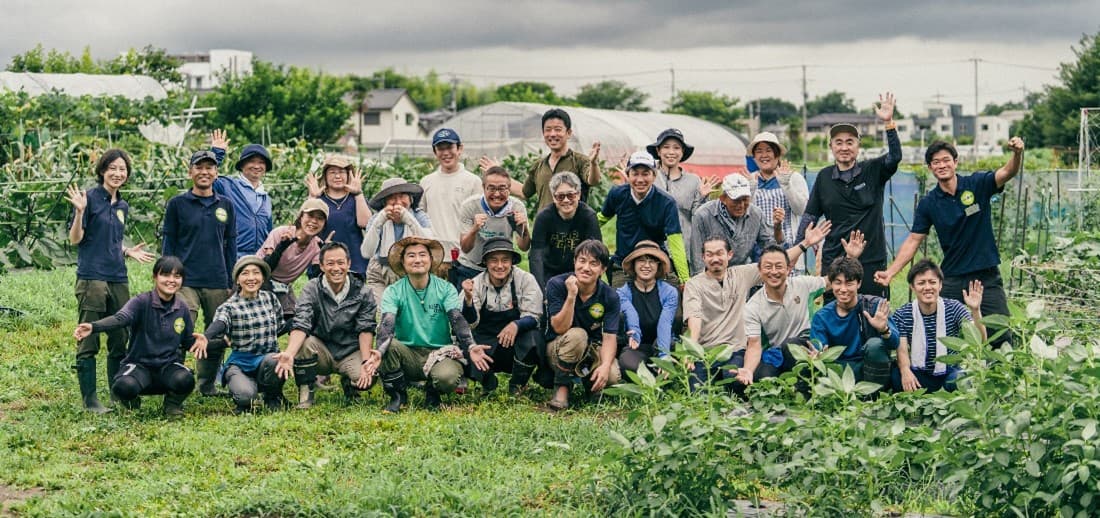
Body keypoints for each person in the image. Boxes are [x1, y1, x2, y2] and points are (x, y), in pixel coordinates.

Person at [875, 138, 1024, 348]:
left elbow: (1007, 172)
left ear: (955, 162)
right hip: (953, 277)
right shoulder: (929, 203)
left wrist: (1017, 154)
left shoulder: (977, 184)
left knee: (1000, 332)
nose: (941, 165)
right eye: (936, 162)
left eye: (946, 160)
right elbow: (914, 240)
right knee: (942, 333)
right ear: (930, 168)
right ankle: (946, 375)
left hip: (986, 276)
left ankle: (1002, 376)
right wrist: (891, 272)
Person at [683, 223, 830, 392]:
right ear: (703, 257)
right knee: (696, 392)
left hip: (734, 350)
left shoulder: (741, 275)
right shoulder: (694, 284)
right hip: (704, 352)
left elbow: (775, 262)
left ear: (729, 255)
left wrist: (805, 244)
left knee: (736, 383)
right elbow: (694, 317)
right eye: (709, 255)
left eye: (719, 253)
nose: (715, 259)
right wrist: (692, 349)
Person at [65, 149, 156, 413]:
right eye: (113, 168)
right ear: (103, 170)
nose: (118, 173)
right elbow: (76, 239)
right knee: (89, 334)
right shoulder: (89, 198)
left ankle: (119, 393)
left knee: (120, 335)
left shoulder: (122, 206)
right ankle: (90, 399)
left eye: (122, 169)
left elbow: (109, 239)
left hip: (118, 277)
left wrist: (127, 251)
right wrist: (80, 213)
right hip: (92, 278)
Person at [72, 256, 207, 418]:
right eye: (165, 275)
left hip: (167, 368)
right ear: (155, 277)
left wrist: (207, 341)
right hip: (139, 368)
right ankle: (131, 401)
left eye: (177, 276)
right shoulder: (141, 302)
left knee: (186, 380)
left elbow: (187, 341)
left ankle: (172, 405)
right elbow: (121, 318)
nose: (171, 280)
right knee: (123, 387)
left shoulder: (182, 307)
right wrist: (94, 327)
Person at [368, 237, 492, 412]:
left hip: (439, 353)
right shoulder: (393, 291)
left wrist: (471, 346)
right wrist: (379, 351)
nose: (417, 260)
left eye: (422, 255)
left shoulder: (446, 288)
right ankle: (398, 396)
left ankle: (432, 392)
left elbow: (457, 318)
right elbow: (387, 323)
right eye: (411, 256)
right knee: (388, 345)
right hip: (408, 353)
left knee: (447, 378)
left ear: (430, 260)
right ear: (403, 262)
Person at [798, 92, 900, 298]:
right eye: (839, 142)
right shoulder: (824, 177)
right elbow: (810, 216)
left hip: (871, 261)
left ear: (858, 145)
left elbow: (895, 157)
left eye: (850, 142)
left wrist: (888, 123)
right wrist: (796, 251)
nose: (844, 147)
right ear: (831, 147)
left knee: (872, 317)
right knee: (834, 318)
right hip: (835, 262)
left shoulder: (872, 170)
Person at [742, 233, 865, 384]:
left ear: (788, 269)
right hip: (777, 351)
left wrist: (850, 257)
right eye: (768, 267)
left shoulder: (802, 285)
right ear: (760, 271)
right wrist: (748, 370)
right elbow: (754, 345)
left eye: (779, 266)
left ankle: (807, 386)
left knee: (791, 345)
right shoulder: (753, 306)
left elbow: (832, 281)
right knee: (764, 379)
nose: (774, 271)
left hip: (808, 342)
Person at [162, 149, 237, 397]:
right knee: (182, 328)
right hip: (186, 280)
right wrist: (166, 277)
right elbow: (169, 243)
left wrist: (231, 280)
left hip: (217, 279)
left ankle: (207, 384)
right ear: (190, 171)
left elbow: (231, 244)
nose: (204, 172)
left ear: (216, 173)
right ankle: (176, 382)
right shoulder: (177, 204)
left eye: (209, 167)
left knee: (216, 332)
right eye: (199, 167)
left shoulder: (225, 205)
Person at [274, 242, 378, 408]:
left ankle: (350, 384)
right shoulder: (311, 288)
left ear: (348, 264)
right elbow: (301, 322)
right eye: (330, 263)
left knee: (368, 377)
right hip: (320, 347)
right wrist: (290, 353)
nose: (336, 268)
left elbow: (366, 328)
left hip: (350, 350)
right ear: (321, 266)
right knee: (303, 343)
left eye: (340, 262)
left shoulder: (363, 291)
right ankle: (306, 392)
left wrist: (366, 362)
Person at [460, 238, 548, 395]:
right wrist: (468, 301)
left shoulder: (526, 280)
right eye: (493, 260)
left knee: (535, 338)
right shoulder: (475, 284)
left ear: (512, 261)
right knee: (465, 347)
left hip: (515, 344)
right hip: (485, 342)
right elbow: (469, 324)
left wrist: (516, 325)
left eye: (505, 260)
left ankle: (517, 384)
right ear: (485, 262)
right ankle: (488, 383)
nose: (499, 266)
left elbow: (535, 316)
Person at [203, 256, 290, 413]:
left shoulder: (270, 299)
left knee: (275, 359)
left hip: (266, 359)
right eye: (245, 273)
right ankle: (245, 391)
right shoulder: (229, 306)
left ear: (262, 278)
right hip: (240, 364)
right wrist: (206, 336)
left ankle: (273, 395)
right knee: (246, 398)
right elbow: (220, 323)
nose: (251, 278)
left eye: (256, 273)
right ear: (237, 279)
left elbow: (280, 326)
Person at [544, 239, 622, 411]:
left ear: (603, 270)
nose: (586, 268)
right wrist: (571, 296)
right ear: (574, 262)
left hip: (590, 350)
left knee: (612, 375)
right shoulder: (556, 284)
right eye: (582, 261)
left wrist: (605, 366)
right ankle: (562, 388)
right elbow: (559, 328)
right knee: (578, 335)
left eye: (594, 264)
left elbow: (609, 337)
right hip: (559, 347)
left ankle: (590, 384)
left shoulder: (610, 296)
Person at [889, 259, 985, 393]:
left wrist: (975, 310)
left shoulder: (954, 308)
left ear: (940, 285)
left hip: (949, 371)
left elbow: (980, 340)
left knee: (960, 380)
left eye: (932, 282)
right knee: (895, 376)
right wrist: (905, 371)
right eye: (921, 283)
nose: (927, 287)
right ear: (912, 287)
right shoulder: (903, 313)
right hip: (919, 372)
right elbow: (902, 350)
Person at [599, 151, 690, 287]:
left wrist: (684, 279)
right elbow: (600, 219)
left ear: (654, 176)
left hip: (656, 264)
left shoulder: (666, 203)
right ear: (627, 175)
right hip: (623, 265)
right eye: (635, 174)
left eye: (646, 174)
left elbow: (675, 241)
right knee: (618, 304)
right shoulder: (617, 195)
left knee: (674, 299)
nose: (640, 180)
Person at [809, 257, 898, 386]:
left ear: (859, 283)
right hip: (838, 371)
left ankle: (874, 397)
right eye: (838, 283)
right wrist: (819, 354)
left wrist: (884, 329)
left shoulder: (874, 306)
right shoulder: (822, 317)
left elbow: (894, 342)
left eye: (849, 283)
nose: (843, 289)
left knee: (875, 345)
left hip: (868, 368)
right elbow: (818, 348)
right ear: (831, 284)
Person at [647, 128, 719, 262]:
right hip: (653, 248)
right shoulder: (649, 177)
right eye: (666, 147)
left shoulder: (693, 181)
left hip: (684, 249)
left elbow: (698, 218)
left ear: (682, 152)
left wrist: (703, 198)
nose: (671, 152)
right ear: (658, 151)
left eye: (676, 148)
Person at [361, 177, 434, 306]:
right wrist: (379, 221)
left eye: (402, 196)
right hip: (380, 271)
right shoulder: (377, 219)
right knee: (386, 313)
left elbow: (430, 244)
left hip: (412, 272)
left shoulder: (419, 216)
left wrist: (408, 219)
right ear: (385, 202)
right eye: (392, 198)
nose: (398, 202)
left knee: (409, 313)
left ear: (410, 199)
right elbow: (367, 252)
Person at [454, 166, 531, 287]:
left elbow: (524, 247)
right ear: (483, 188)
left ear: (509, 189)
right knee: (466, 304)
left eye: (502, 188)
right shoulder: (469, 206)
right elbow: (465, 248)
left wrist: (525, 229)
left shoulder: (517, 207)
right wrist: (474, 229)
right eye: (491, 188)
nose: (496, 194)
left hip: (501, 269)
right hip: (471, 266)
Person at [419, 128, 483, 268]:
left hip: (464, 258)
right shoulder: (426, 182)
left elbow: (479, 220)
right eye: (440, 149)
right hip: (434, 257)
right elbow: (420, 217)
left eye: (450, 147)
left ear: (460, 149)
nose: (446, 153)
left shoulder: (473, 181)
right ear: (435, 152)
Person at [257, 199, 329, 319]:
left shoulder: (317, 246)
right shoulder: (281, 233)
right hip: (259, 279)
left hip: (282, 286)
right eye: (310, 216)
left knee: (296, 320)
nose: (314, 221)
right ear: (301, 217)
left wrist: (326, 256)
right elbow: (264, 269)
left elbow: (316, 277)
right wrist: (281, 247)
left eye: (320, 218)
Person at [517, 108, 602, 209]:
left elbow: (593, 180)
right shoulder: (538, 165)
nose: (552, 134)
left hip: (572, 224)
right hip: (545, 223)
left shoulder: (580, 161)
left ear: (569, 133)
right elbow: (524, 192)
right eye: (548, 130)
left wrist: (594, 163)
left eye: (558, 129)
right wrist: (500, 175)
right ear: (543, 133)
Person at [528, 172, 602, 287]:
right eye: (560, 196)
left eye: (570, 195)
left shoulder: (588, 216)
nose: (566, 200)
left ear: (578, 194)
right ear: (553, 197)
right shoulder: (544, 217)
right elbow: (536, 255)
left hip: (578, 272)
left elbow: (597, 253)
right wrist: (540, 287)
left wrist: (589, 284)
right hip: (549, 273)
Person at [691, 174, 776, 273]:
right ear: (723, 198)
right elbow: (697, 259)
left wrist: (777, 227)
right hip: (712, 273)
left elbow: (769, 245)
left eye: (745, 199)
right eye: (736, 200)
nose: (741, 205)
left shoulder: (756, 214)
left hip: (742, 273)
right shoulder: (703, 214)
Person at [615, 241, 678, 375]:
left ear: (658, 266)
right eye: (641, 261)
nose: (646, 266)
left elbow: (665, 324)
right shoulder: (622, 293)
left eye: (652, 261)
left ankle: (661, 367)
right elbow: (630, 314)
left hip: (662, 343)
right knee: (627, 362)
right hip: (637, 346)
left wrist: (663, 356)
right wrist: (635, 334)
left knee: (671, 348)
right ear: (634, 264)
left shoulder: (670, 292)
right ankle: (653, 374)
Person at [209, 130, 273, 259]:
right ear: (242, 165)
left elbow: (269, 231)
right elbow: (206, 178)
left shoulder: (266, 199)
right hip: (232, 255)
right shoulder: (227, 186)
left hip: (258, 259)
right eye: (252, 161)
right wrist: (216, 154)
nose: (256, 166)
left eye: (261, 162)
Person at [748, 132, 809, 266]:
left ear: (777, 154)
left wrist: (786, 185)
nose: (764, 155)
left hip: (788, 247)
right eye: (759, 151)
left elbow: (802, 210)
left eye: (769, 150)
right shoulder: (750, 179)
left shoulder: (793, 177)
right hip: (758, 250)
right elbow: (744, 214)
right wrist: (751, 190)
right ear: (754, 157)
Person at [306, 154, 371, 276]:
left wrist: (358, 193)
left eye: (341, 172)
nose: (337, 176)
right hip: (323, 261)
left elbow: (366, 223)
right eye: (332, 172)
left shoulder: (355, 198)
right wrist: (312, 197)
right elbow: (305, 226)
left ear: (348, 175)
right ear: (325, 175)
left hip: (355, 263)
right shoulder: (319, 199)